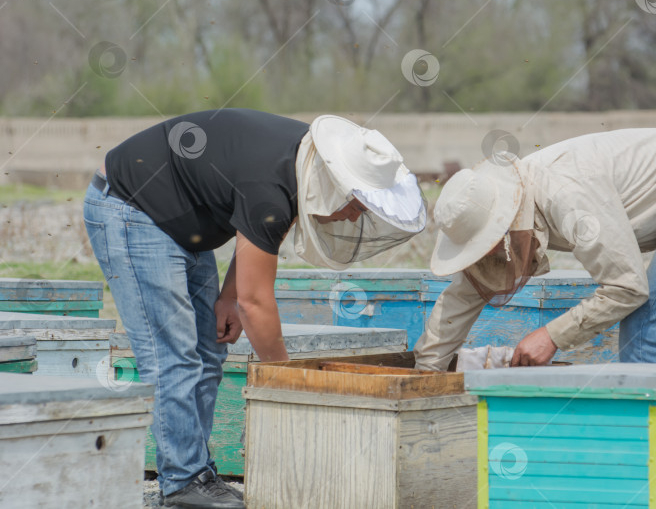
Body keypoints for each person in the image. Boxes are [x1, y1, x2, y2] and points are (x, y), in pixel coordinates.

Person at [84, 109, 426, 509]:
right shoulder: (274, 184)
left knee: (209, 348)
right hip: (132, 207)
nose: (356, 215)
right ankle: (181, 483)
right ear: (337, 186)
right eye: (357, 203)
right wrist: (286, 381)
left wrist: (228, 296)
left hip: (182, 221)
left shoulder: (300, 164)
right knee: (173, 356)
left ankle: (197, 472)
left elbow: (252, 246)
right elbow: (256, 301)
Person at [413, 128, 656, 371]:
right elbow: (465, 294)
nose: (490, 258)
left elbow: (627, 287)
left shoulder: (565, 196)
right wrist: (426, 371)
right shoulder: (516, 198)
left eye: (487, 249)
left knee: (644, 336)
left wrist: (551, 336)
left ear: (504, 226)